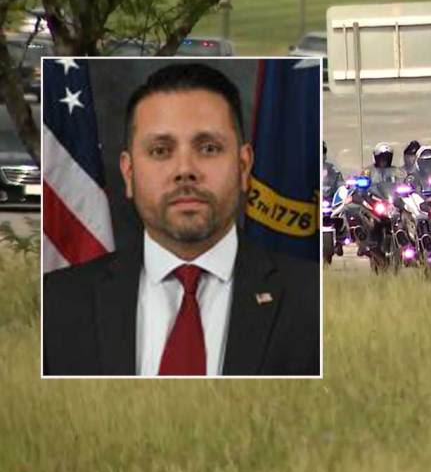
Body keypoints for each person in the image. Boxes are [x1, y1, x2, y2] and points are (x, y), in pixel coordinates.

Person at [43, 63, 320, 376]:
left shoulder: (315, 300)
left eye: (209, 148)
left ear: (243, 166)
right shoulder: (56, 305)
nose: (185, 169)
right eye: (161, 150)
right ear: (129, 172)